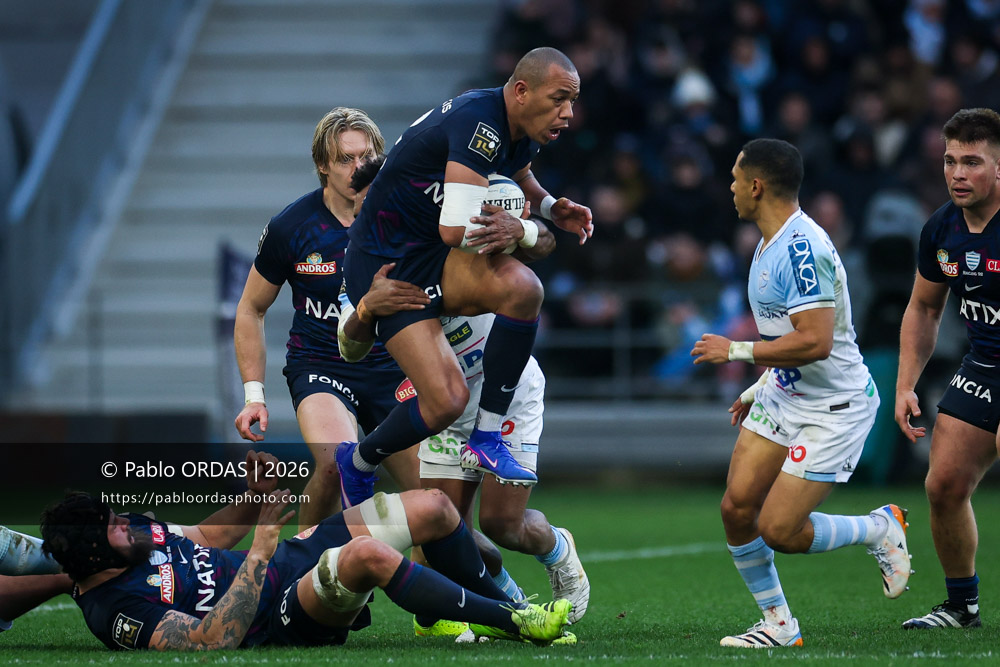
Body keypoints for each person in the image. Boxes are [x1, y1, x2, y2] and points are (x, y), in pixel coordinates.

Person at [339, 158, 590, 628]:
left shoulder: (450, 228)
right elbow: (349, 347)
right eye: (358, 208)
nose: (365, 216)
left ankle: (557, 547)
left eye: (374, 203)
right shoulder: (362, 267)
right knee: (443, 534)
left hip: (504, 391)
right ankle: (512, 607)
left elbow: (546, 244)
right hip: (443, 406)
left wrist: (523, 229)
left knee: (504, 527)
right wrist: (369, 307)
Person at [336, 47, 593, 505]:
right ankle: (358, 460)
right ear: (521, 91)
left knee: (523, 289)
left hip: (431, 253)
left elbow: (519, 170)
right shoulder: (482, 124)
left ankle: (487, 437)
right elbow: (455, 230)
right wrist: (528, 230)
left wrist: (552, 207)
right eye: (559, 99)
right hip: (387, 265)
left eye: (571, 101)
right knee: (446, 402)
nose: (568, 113)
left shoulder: (519, 125)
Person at [691, 138, 911, 648]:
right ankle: (778, 625)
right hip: (785, 394)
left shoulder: (801, 248)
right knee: (736, 509)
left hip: (835, 407)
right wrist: (761, 383)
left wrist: (737, 353)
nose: (729, 187)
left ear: (756, 185)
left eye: (734, 177)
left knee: (780, 531)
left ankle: (878, 528)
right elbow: (785, 337)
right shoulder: (768, 242)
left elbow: (815, 341)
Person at [37, 450, 572, 651]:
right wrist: (263, 550)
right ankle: (516, 621)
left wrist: (251, 500)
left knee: (434, 507)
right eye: (113, 531)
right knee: (368, 557)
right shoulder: (115, 613)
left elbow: (209, 539)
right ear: (92, 562)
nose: (128, 528)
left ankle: (484, 609)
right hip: (281, 615)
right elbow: (210, 642)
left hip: (289, 560)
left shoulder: (130, 536)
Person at [233, 107, 428, 529]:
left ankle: (439, 588)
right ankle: (306, 576)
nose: (358, 168)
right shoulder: (293, 226)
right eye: (345, 159)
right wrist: (254, 396)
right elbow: (251, 309)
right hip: (322, 366)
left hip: (393, 368)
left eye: (366, 157)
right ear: (322, 165)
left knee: (432, 499)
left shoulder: (409, 219)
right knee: (335, 465)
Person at [894, 107, 1000, 630]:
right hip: (984, 364)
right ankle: (962, 607)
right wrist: (905, 384)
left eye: (973, 162)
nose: (958, 173)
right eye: (950, 160)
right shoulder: (941, 228)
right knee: (944, 485)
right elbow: (925, 308)